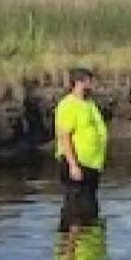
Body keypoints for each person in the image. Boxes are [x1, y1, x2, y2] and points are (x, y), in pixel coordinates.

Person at [54, 67, 108, 231]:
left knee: (89, 207)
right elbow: (65, 136)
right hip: (77, 163)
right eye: (89, 81)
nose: (92, 85)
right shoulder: (69, 105)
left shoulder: (89, 104)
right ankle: (72, 249)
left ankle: (88, 246)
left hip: (92, 164)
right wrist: (73, 165)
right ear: (79, 82)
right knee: (75, 208)